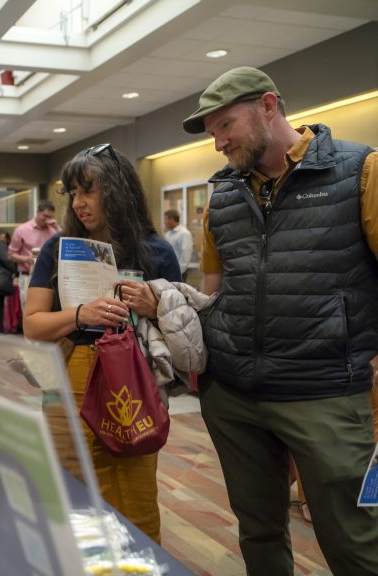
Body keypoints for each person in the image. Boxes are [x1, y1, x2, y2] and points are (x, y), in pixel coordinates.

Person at [183, 66, 378, 575]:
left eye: (226, 126)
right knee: (259, 533)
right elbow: (214, 289)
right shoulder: (222, 195)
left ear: (268, 106)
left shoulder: (361, 170)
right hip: (232, 394)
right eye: (213, 133)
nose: (219, 143)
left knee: (355, 542)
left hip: (326, 390)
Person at [23, 144, 181, 543]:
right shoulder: (57, 249)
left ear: (116, 191)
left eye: (87, 191)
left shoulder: (156, 252)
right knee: (70, 484)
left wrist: (154, 302)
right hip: (68, 371)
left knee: (134, 488)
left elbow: (181, 327)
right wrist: (81, 315)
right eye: (72, 193)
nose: (78, 203)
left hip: (132, 375)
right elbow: (34, 325)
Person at [9, 199, 60, 313]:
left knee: (50, 311)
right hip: (28, 276)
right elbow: (11, 254)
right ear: (37, 212)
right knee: (29, 312)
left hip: (50, 278)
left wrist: (57, 227)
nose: (47, 220)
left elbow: (66, 243)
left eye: (50, 217)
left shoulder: (53, 230)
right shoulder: (22, 230)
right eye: (45, 216)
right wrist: (27, 259)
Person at [163, 209, 193, 280]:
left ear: (172, 219)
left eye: (165, 219)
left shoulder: (184, 234)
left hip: (178, 273)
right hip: (168, 272)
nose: (164, 222)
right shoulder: (168, 234)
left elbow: (185, 256)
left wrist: (178, 272)